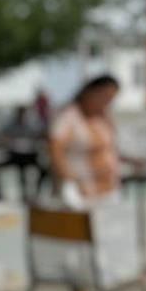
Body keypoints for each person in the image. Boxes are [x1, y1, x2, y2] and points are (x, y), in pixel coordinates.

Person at [48, 74, 128, 204]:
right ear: (90, 92)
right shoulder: (68, 117)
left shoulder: (104, 117)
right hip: (82, 192)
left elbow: (110, 149)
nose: (106, 103)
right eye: (104, 97)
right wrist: (69, 182)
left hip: (110, 189)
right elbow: (55, 150)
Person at [0, 105, 46, 200]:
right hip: (13, 156)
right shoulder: (10, 126)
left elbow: (41, 137)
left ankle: (36, 194)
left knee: (44, 170)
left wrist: (34, 142)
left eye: (23, 114)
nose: (22, 116)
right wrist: (7, 142)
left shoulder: (32, 126)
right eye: (20, 114)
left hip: (29, 156)